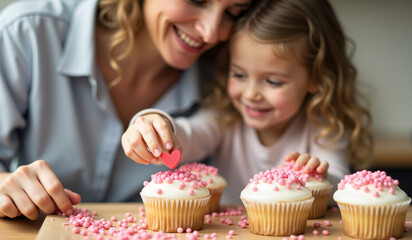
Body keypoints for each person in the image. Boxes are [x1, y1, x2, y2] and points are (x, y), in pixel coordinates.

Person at [0, 0, 256, 220]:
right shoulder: (26, 34)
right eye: (197, 0)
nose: (210, 33)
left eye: (232, 12)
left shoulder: (231, 85)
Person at [122, 0, 373, 204]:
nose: (251, 93)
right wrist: (158, 123)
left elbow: (339, 183)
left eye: (273, 81)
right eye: (239, 75)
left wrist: (318, 176)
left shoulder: (325, 126)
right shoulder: (226, 117)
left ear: (316, 78)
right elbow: (189, 135)